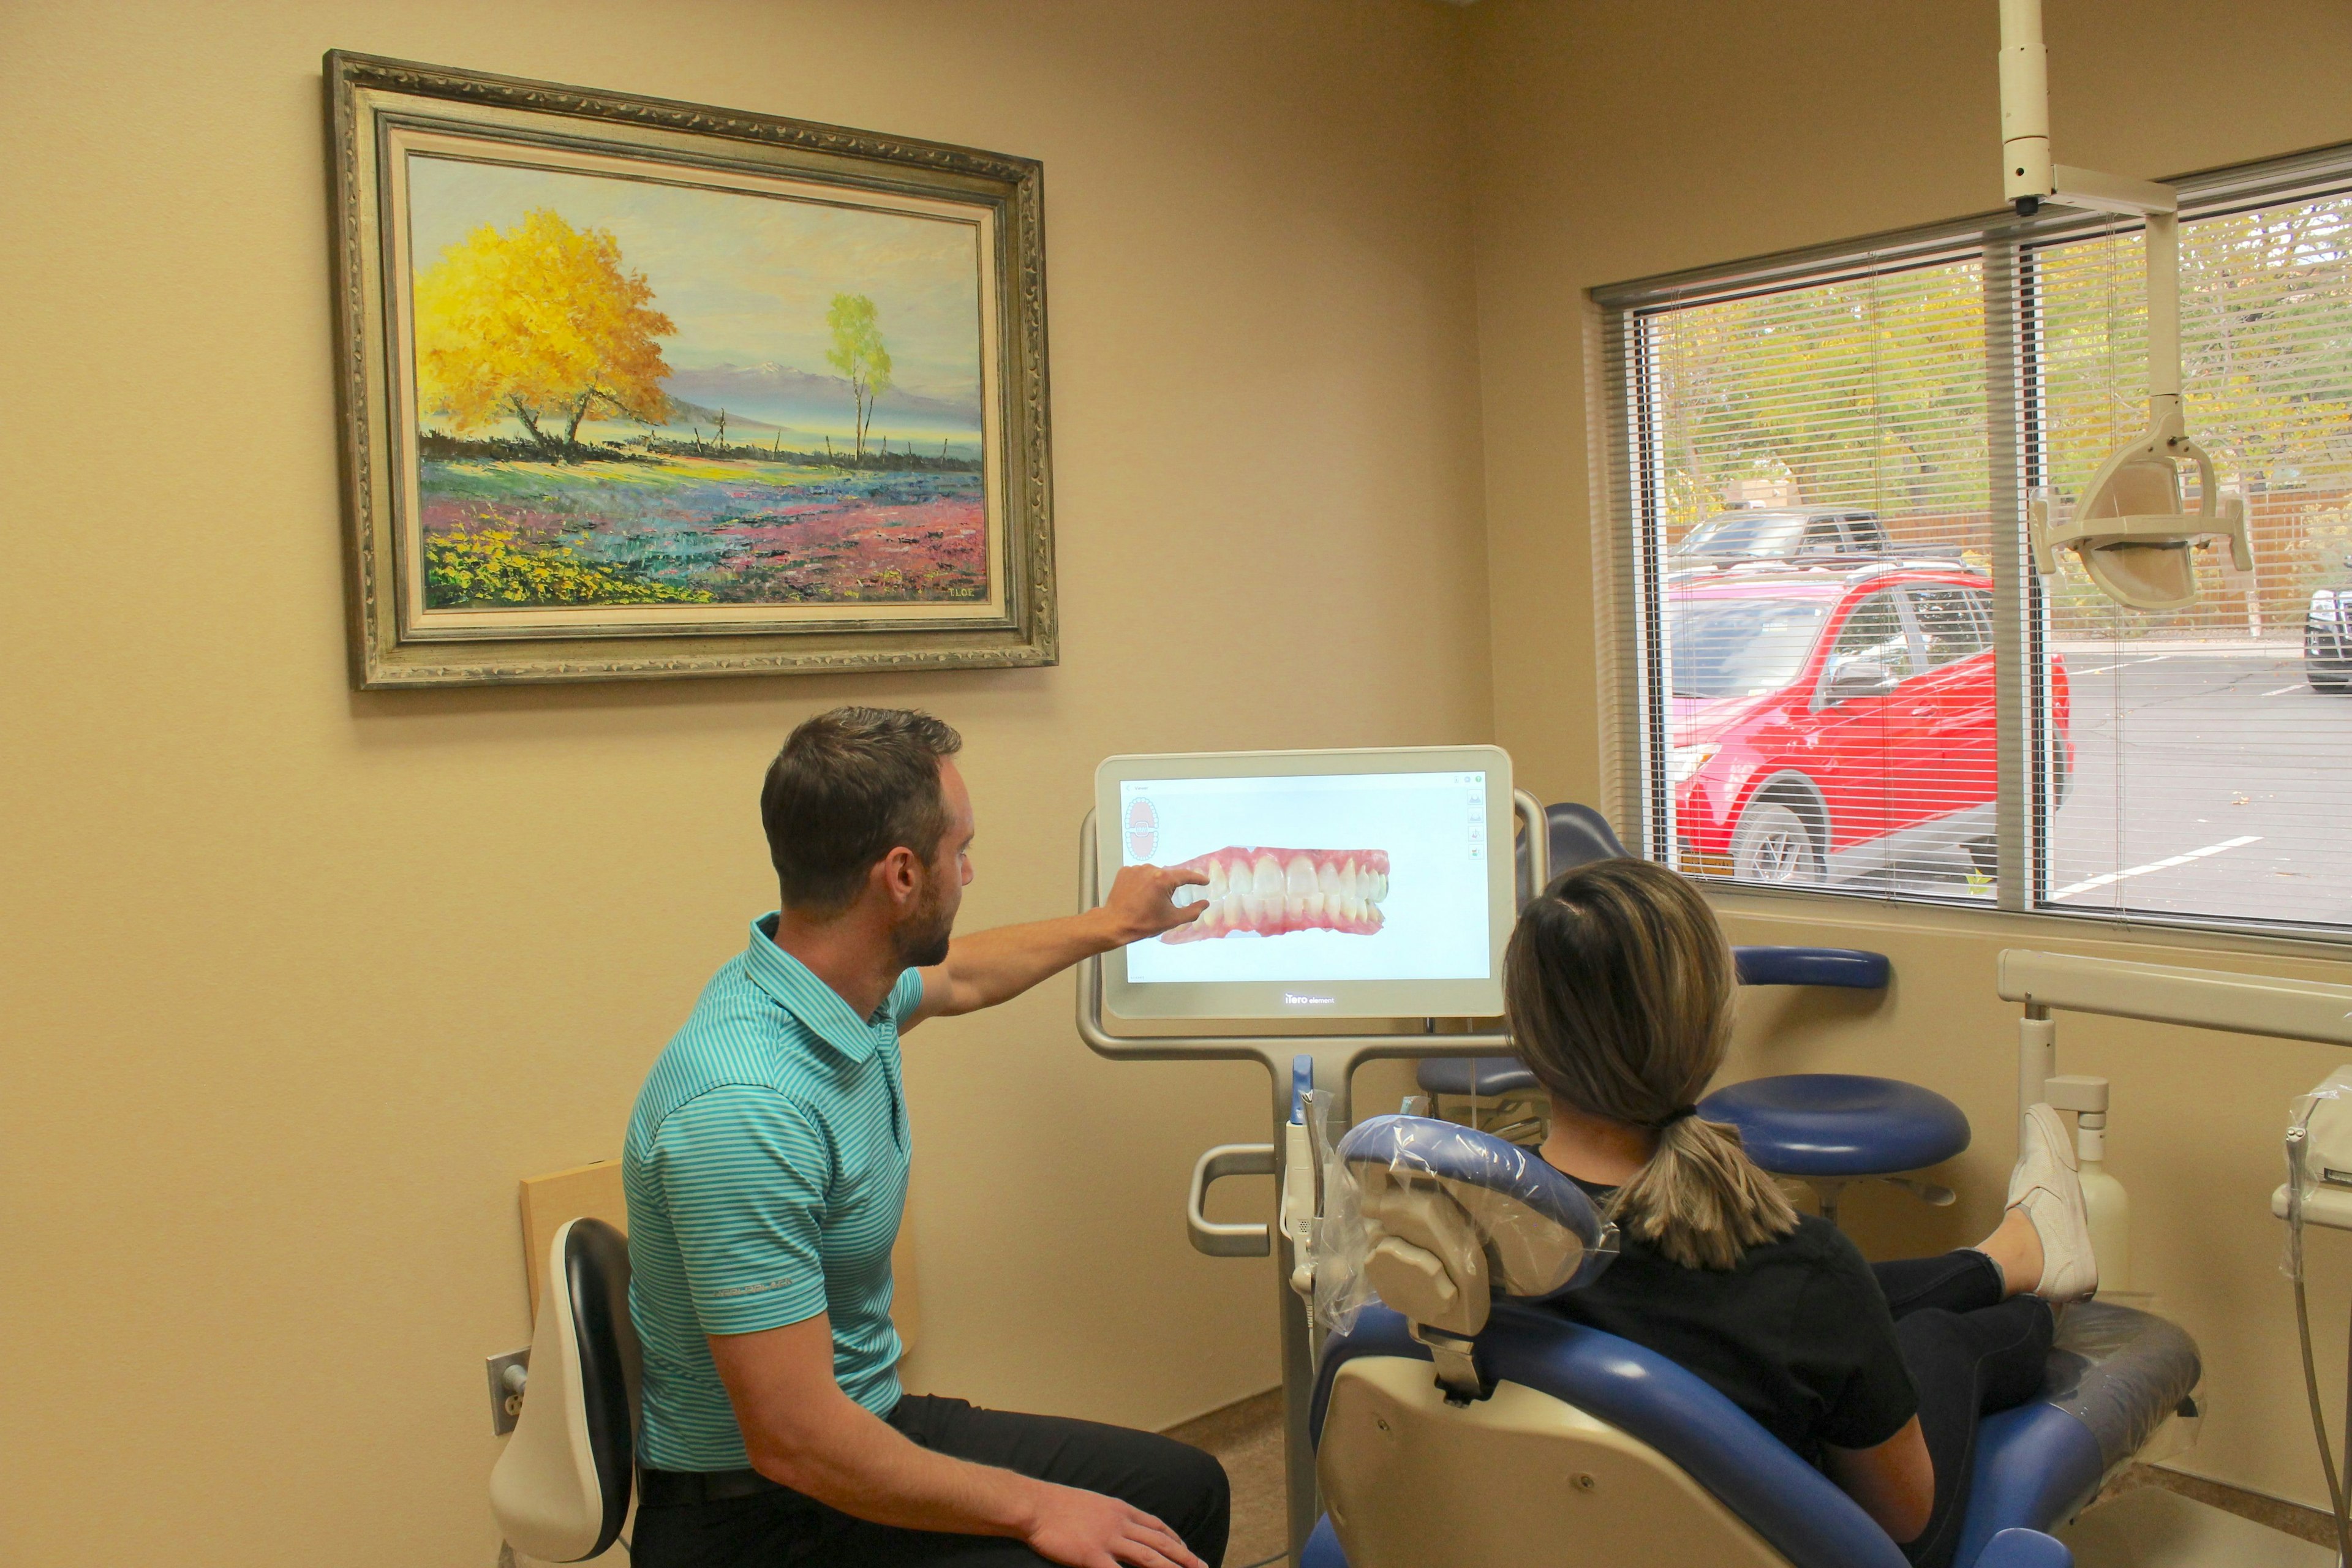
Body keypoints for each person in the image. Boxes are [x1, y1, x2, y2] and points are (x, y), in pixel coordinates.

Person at [624, 707, 1229, 1568]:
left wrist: (1114, 924)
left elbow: (966, 974)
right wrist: (1035, 1508)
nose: (971, 871)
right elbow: (794, 1442)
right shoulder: (745, 1108)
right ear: (902, 875)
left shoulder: (836, 984)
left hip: (861, 1425)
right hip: (763, 1516)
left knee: (1186, 1490)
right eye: (962, 850)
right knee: (1109, 1546)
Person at [1505, 858, 2097, 1568]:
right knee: (1942, 1336)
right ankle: (2035, 1294)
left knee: (1841, 1309)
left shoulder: (1472, 1236)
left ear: (1526, 1033)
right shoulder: (1799, 1272)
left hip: (1550, 1535)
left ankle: (2014, 1254)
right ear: (1707, 1029)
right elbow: (1902, 1519)